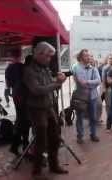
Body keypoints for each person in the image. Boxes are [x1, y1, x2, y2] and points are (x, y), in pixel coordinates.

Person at [23, 42, 68, 176]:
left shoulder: (45, 68)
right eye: (48, 56)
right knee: (41, 141)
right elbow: (37, 90)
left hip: (48, 107)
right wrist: (57, 83)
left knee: (55, 138)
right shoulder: (29, 71)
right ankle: (37, 171)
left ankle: (54, 165)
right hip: (36, 109)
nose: (49, 59)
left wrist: (59, 81)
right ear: (39, 54)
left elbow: (51, 87)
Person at [72, 49, 101, 144]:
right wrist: (86, 83)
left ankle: (93, 134)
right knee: (79, 116)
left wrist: (88, 82)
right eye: (86, 56)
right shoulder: (75, 67)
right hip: (80, 96)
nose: (88, 57)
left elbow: (98, 81)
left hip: (92, 96)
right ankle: (80, 136)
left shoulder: (93, 68)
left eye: (89, 55)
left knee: (93, 116)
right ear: (80, 57)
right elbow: (77, 80)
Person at [6, 49, 30, 156]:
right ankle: (21, 144)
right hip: (23, 96)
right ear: (20, 55)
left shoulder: (8, 68)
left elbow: (7, 84)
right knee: (24, 120)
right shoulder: (22, 67)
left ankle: (21, 144)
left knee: (21, 119)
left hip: (16, 95)